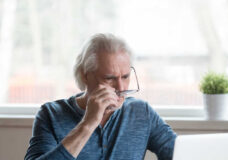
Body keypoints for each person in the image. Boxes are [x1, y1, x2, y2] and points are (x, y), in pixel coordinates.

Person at [24, 33, 177, 160]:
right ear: (85, 76)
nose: (121, 88)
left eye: (125, 77)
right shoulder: (51, 114)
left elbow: (179, 153)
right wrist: (88, 123)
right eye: (109, 78)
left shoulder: (141, 112)